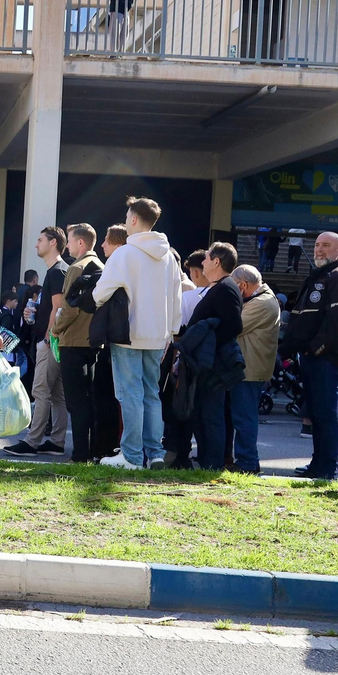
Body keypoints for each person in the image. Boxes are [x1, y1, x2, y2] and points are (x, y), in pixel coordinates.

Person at [92, 197, 183, 470]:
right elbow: (177, 296)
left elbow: (100, 293)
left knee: (129, 394)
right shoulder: (168, 255)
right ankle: (155, 453)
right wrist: (171, 332)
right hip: (159, 335)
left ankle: (131, 455)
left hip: (128, 333)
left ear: (133, 219)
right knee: (150, 393)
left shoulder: (124, 254)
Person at [281, 232, 338, 480]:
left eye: (326, 245)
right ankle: (318, 465)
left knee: (326, 415)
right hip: (312, 357)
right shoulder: (319, 275)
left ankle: (327, 468)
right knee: (316, 414)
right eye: (317, 245)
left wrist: (314, 349)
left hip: (328, 358)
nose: (319, 249)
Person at [52, 223, 117, 464]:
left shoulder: (76, 267)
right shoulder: (102, 266)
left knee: (76, 403)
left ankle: (79, 455)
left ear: (80, 243)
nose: (67, 245)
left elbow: (69, 308)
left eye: (69, 240)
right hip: (94, 343)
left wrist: (55, 330)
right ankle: (90, 451)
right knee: (90, 401)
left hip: (73, 342)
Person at [8, 226, 70, 457]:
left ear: (53, 242)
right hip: (57, 341)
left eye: (40, 239)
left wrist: (47, 336)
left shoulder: (56, 271)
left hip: (51, 341)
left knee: (41, 390)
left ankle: (32, 442)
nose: (36, 244)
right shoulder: (60, 270)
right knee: (56, 394)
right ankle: (56, 441)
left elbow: (59, 307)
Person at [186, 242, 244, 470]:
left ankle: (213, 464)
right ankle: (206, 460)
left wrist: (206, 342)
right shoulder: (219, 287)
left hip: (214, 364)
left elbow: (233, 326)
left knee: (211, 415)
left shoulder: (226, 287)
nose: (203, 262)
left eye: (207, 258)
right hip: (207, 362)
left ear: (217, 262)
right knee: (203, 413)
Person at [231, 265, 279, 474]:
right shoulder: (262, 299)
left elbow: (235, 325)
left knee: (244, 418)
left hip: (250, 368)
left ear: (243, 285)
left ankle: (247, 462)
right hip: (250, 366)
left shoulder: (262, 302)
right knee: (243, 416)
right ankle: (248, 460)